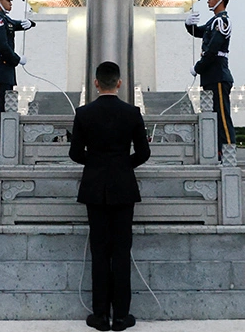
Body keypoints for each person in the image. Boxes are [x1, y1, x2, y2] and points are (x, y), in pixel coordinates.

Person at [69, 61, 151, 332]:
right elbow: (143, 153)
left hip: (94, 186)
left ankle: (101, 316)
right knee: (121, 251)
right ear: (119, 83)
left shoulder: (84, 113)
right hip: (123, 186)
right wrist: (123, 164)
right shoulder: (132, 113)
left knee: (100, 252)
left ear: (95, 83)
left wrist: (95, 163)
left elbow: (75, 153)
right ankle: (122, 317)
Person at [185, 0, 236, 157]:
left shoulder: (223, 21)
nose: (208, 1)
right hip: (211, 76)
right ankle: (218, 151)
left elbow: (213, 49)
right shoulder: (214, 21)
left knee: (222, 117)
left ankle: (228, 151)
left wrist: (198, 67)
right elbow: (200, 32)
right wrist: (188, 25)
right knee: (213, 117)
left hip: (218, 75)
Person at [0, 0, 33, 154]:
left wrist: (26, 24)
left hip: (5, 73)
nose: (11, 3)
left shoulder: (3, 19)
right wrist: (17, 59)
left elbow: (11, 25)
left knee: (4, 114)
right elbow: (2, 45)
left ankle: (0, 149)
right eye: (7, 0)